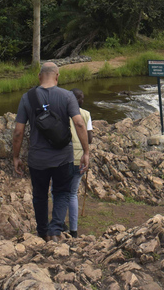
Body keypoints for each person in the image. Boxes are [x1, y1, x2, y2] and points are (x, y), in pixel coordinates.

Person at [12, 62, 90, 242]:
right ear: (57, 76)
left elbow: (18, 132)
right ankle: (55, 231)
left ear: (39, 77)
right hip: (63, 158)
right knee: (62, 193)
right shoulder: (68, 96)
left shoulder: (27, 98)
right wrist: (86, 151)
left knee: (39, 195)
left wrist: (16, 157)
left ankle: (42, 233)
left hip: (37, 159)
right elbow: (79, 123)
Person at [68, 88, 93, 238]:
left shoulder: (63, 112)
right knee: (72, 194)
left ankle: (59, 224)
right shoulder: (86, 114)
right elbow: (89, 139)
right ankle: (74, 230)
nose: (83, 100)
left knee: (58, 192)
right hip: (79, 157)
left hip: (63, 158)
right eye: (82, 98)